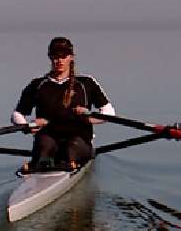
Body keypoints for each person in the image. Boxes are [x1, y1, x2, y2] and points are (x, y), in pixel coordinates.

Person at [11, 37, 115, 171]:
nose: (59, 60)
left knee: (71, 148)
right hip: (48, 139)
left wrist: (89, 118)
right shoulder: (37, 85)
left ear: (71, 57)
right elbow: (17, 114)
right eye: (55, 56)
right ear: (50, 58)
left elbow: (109, 112)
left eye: (64, 56)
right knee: (44, 146)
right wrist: (27, 126)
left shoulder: (86, 83)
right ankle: (41, 165)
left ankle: (64, 163)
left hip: (78, 140)